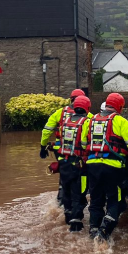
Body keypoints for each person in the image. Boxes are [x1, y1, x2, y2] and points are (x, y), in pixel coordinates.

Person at [85, 92, 128, 241]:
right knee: (115, 201)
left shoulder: (91, 120)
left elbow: (82, 143)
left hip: (92, 165)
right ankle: (103, 233)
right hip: (112, 167)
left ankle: (93, 230)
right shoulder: (120, 121)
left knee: (95, 199)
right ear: (120, 107)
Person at [53, 95, 94, 232]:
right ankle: (76, 223)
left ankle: (68, 216)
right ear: (87, 108)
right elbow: (85, 143)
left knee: (67, 191)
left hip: (64, 162)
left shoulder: (64, 122)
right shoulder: (86, 122)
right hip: (79, 165)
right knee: (79, 193)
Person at [40, 88, 86, 160]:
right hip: (79, 150)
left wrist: (43, 146)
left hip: (60, 148)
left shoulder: (59, 112)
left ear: (71, 99)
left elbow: (46, 132)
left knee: (62, 168)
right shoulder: (88, 115)